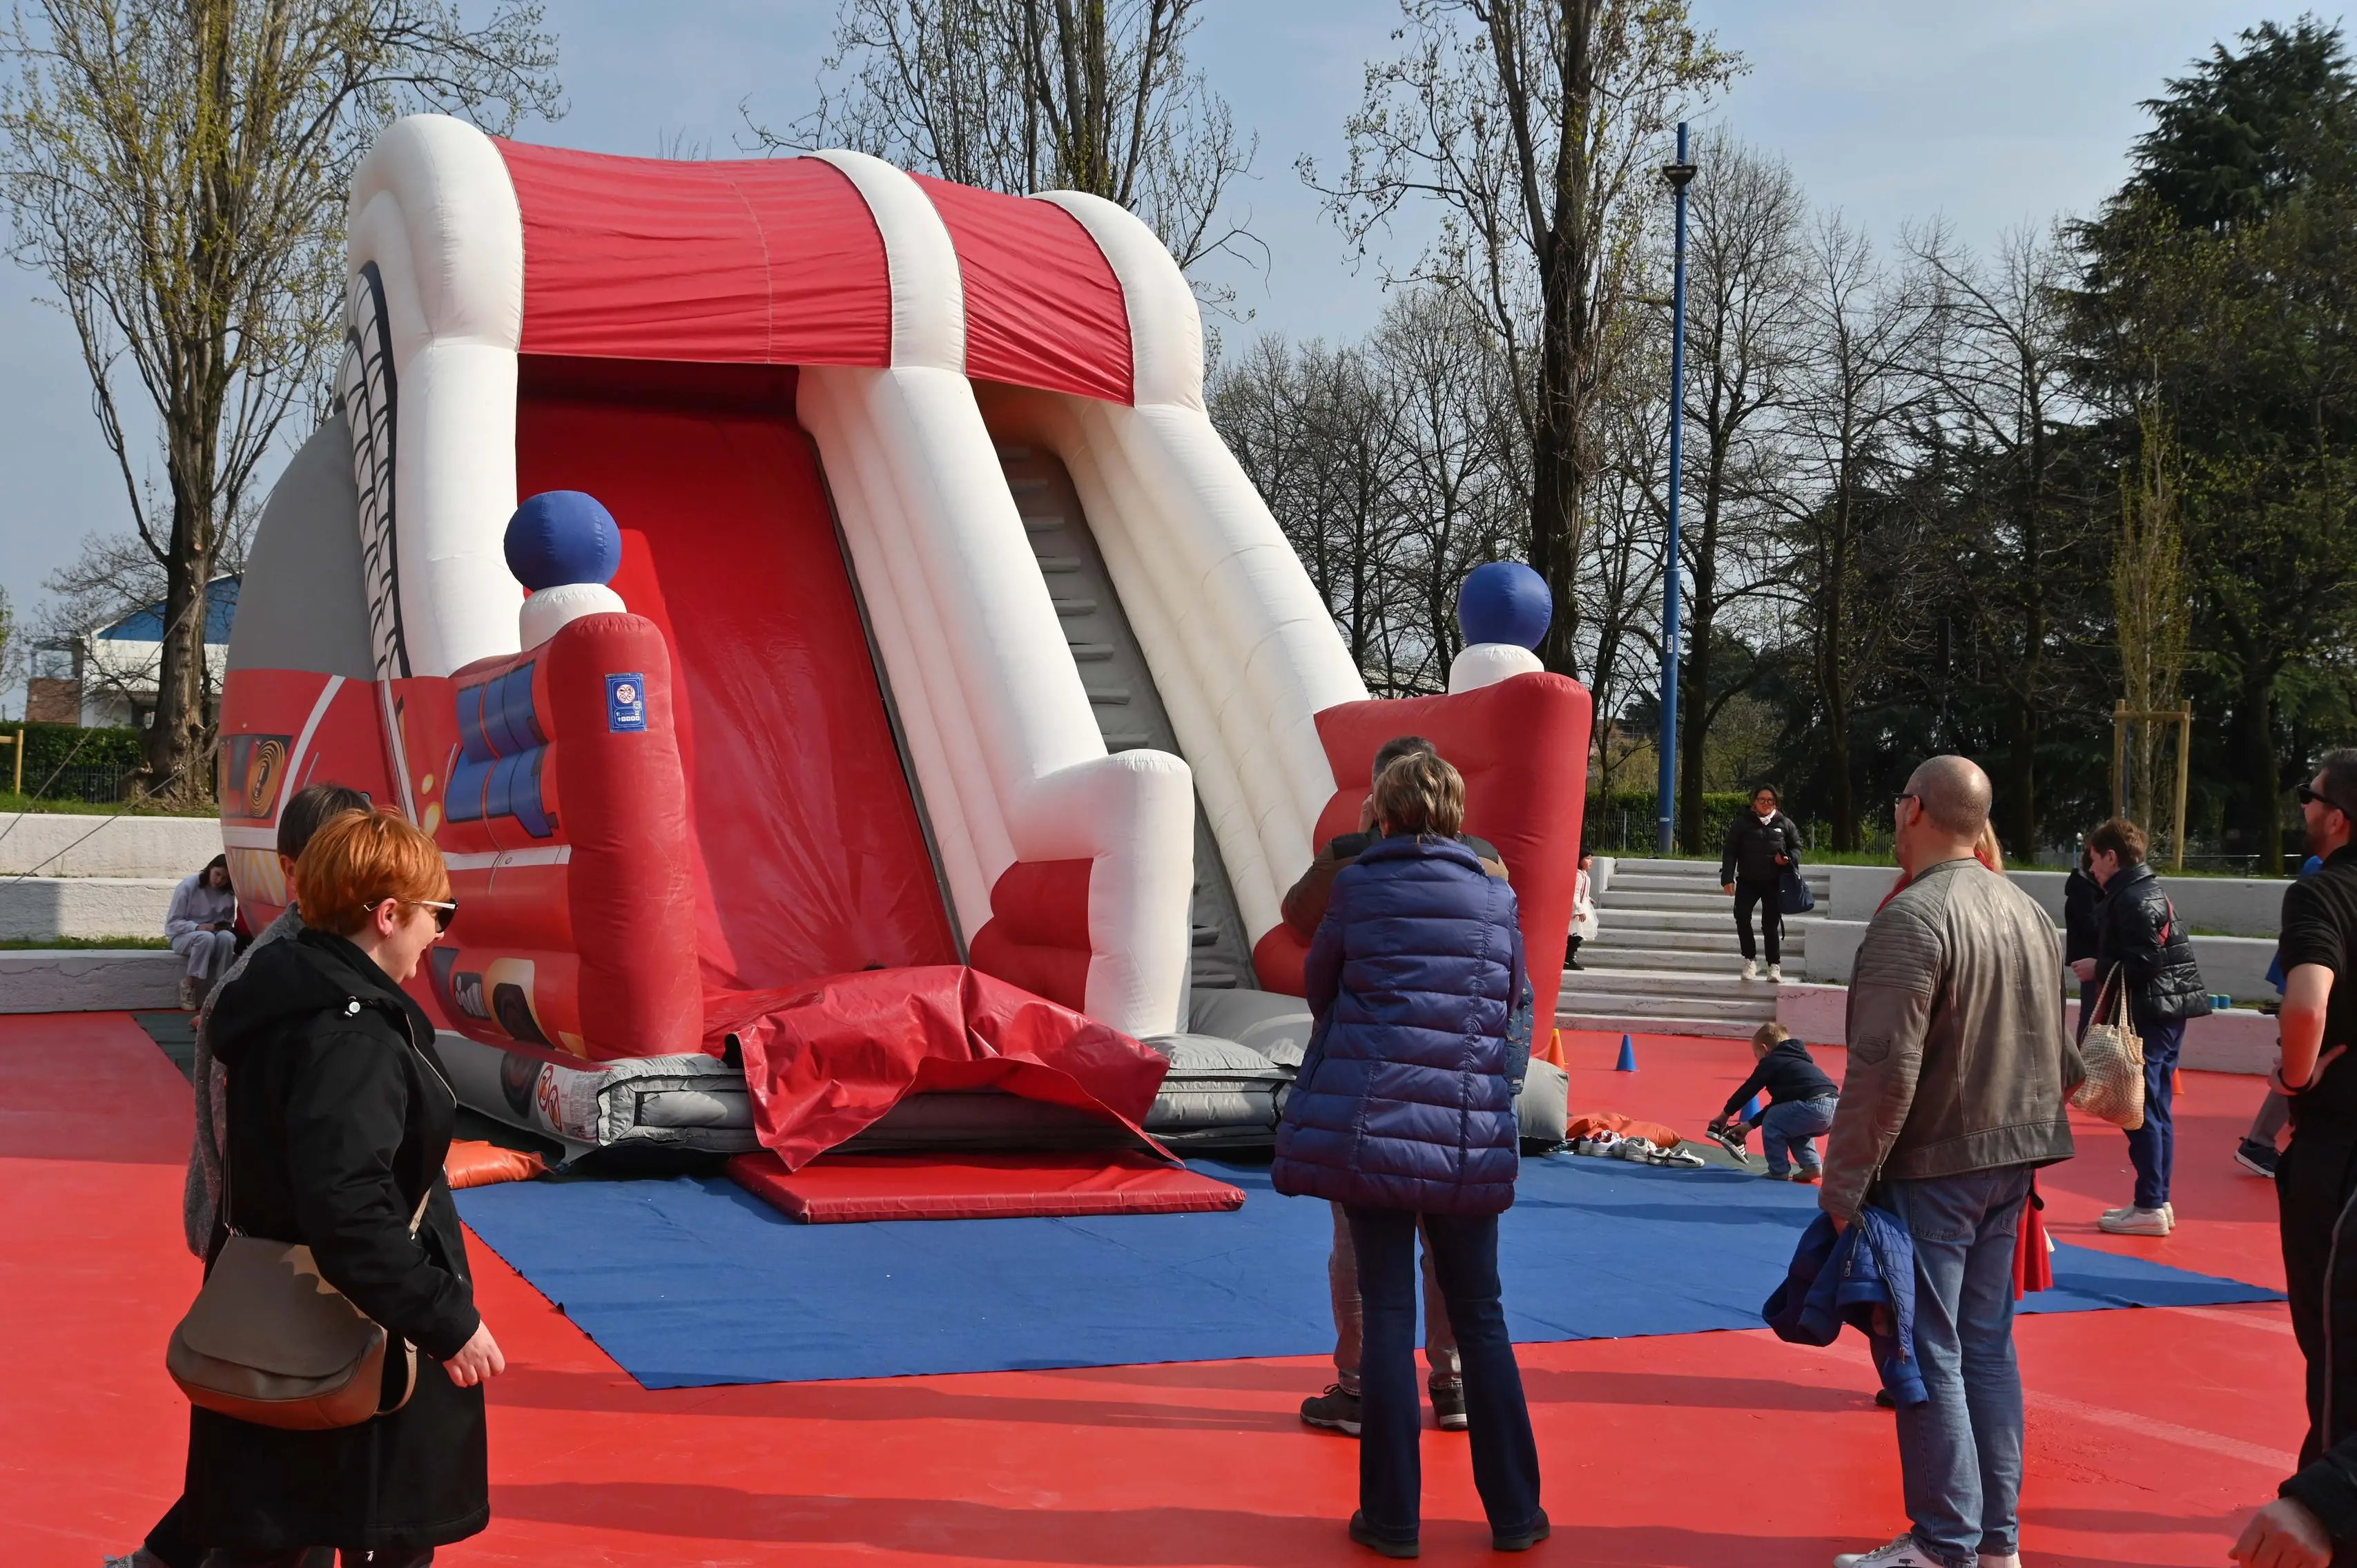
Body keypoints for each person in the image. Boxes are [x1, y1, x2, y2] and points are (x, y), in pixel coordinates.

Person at [173, 809, 501, 1565]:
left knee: (270, 1531)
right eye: (437, 913)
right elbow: (348, 1205)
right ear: (389, 916)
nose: (438, 934)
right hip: (346, 1326)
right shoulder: (349, 1035)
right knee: (354, 1530)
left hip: (270, 1307)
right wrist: (444, 1316)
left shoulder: (279, 999)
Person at [1275, 748, 1545, 1558]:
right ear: (1457, 815)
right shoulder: (1496, 897)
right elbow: (1510, 1002)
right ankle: (1516, 1513)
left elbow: (1321, 985)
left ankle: (1392, 1520)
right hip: (1466, 1128)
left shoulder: (1358, 886)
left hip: (1372, 1121)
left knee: (1388, 1318)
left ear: (1382, 816)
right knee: (1483, 1317)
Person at [1823, 755, 2078, 1568]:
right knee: (1987, 1348)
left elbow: (1883, 1066)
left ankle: (1944, 1540)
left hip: (1936, 1158)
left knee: (1927, 1351)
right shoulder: (2028, 913)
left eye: (1899, 801)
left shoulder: (1914, 918)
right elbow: (2058, 1054)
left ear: (1915, 810)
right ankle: (1991, 1539)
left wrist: (1843, 1183)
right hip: (2013, 1154)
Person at [113, 785, 376, 1568]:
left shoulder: (342, 965)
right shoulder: (271, 985)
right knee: (275, 1455)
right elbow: (247, 1147)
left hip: (307, 1252)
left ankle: (160, 1558)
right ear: (297, 870)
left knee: (289, 1453)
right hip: (272, 1252)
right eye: (343, 860)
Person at [1285, 734, 1504, 1439]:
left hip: (1372, 1091)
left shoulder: (1354, 868)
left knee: (1361, 1260)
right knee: (1453, 1260)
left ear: (1381, 802)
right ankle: (1455, 1384)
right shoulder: (1491, 873)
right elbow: (1511, 989)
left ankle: (1360, 1390)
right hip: (1460, 1096)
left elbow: (1308, 950)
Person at [2230, 751, 2357, 1568]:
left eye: (2309, 798)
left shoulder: (2323, 889)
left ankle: (2326, 1510)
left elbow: (2306, 1000)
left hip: (2340, 1153)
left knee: (2337, 1351)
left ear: (2337, 817)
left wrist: (2293, 1074)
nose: (2302, 808)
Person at [2072, 817, 2211, 1238]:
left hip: (2151, 1015)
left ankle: (2151, 1203)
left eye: (2095, 859)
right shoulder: (2149, 891)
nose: (2092, 868)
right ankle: (2156, 1198)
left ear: (2111, 857)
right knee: (2157, 1108)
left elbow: (2144, 962)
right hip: (2170, 1012)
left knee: (2140, 1110)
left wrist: (2099, 968)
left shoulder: (2130, 898)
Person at [2239, 853, 2323, 1179]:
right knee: (2301, 1064)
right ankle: (2260, 1142)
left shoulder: (2321, 866)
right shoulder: (2324, 868)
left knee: (2303, 1064)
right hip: (2309, 980)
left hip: (2306, 978)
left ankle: (2263, 1141)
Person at [1709, 1022, 1839, 1182]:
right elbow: (1779, 1104)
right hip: (1835, 1110)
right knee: (1793, 1127)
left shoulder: (1772, 1060)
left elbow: (1749, 1089)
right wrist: (1748, 1126)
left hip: (1812, 1106)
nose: (1758, 1061)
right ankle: (1812, 1166)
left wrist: (1725, 1115)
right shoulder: (1799, 1063)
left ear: (1764, 1049)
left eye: (1756, 1056)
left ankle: (1778, 1170)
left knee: (1775, 1119)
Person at [1720, 784, 1801, 983]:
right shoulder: (1742, 824)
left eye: (1770, 801)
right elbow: (1730, 850)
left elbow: (1797, 848)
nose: (1766, 804)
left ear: (1776, 803)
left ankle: (1774, 966)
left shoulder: (1784, 823)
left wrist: (1788, 858)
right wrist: (1727, 878)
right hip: (1748, 880)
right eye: (1762, 800)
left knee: (1770, 925)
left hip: (1774, 882)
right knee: (1742, 917)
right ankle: (1750, 960)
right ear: (1754, 801)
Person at [166, 853, 239, 1010]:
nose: (219, 880)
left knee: (228, 938)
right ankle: (189, 985)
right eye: (217, 874)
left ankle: (219, 988)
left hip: (213, 935)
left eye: (225, 878)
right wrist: (196, 927)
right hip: (183, 936)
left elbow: (228, 921)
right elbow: (173, 924)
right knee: (205, 938)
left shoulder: (227, 893)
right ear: (210, 868)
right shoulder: (189, 886)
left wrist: (220, 927)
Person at [1564, 853, 1598, 971]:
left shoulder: (1585, 876)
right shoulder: (1578, 876)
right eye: (1587, 859)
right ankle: (1569, 959)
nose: (1590, 862)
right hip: (1577, 910)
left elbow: (1584, 893)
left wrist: (1588, 899)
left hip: (1583, 907)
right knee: (1575, 935)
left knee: (1578, 935)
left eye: (1591, 859)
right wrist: (1579, 910)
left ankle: (1570, 958)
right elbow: (1575, 894)